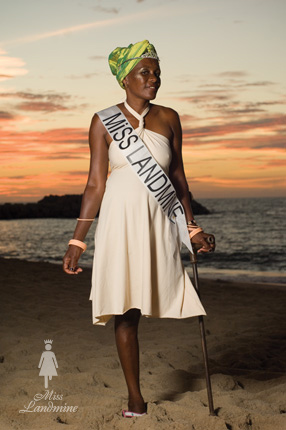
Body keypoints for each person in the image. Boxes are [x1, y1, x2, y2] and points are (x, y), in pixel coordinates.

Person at [63, 40, 215, 417]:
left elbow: (178, 179)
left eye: (157, 72)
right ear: (124, 78)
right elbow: (95, 184)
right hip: (119, 223)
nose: (153, 79)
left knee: (160, 293)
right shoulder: (103, 120)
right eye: (144, 72)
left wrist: (192, 230)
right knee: (125, 308)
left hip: (158, 222)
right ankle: (135, 397)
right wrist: (77, 240)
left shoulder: (169, 117)